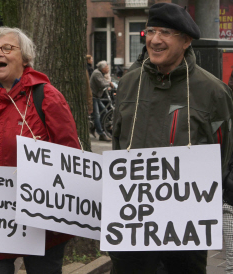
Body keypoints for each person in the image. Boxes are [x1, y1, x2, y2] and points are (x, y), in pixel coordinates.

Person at [111, 3, 233, 274]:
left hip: (184, 233)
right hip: (133, 228)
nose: (155, 39)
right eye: (150, 31)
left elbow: (224, 156)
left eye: (165, 32)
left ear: (186, 40)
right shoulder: (129, 84)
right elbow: (117, 147)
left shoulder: (213, 92)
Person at [0, 26, 80, 274]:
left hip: (41, 226)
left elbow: (72, 158)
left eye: (8, 48)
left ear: (25, 58)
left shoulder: (48, 98)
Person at [90, 60, 114, 141]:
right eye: (107, 66)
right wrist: (109, 84)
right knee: (97, 115)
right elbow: (102, 83)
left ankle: (97, 127)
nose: (108, 68)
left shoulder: (101, 73)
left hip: (97, 97)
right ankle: (101, 134)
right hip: (93, 97)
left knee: (105, 112)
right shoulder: (97, 73)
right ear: (103, 68)